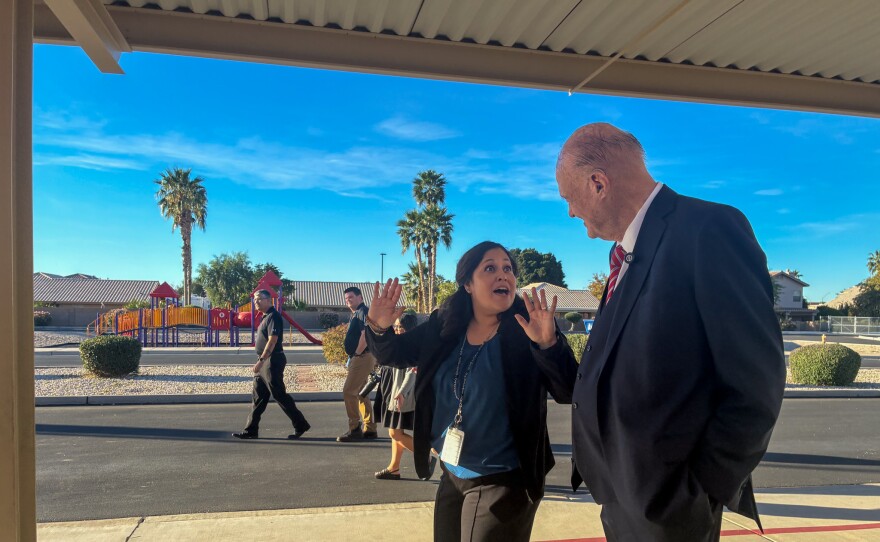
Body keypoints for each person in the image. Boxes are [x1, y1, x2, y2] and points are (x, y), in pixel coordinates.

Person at [540, 122, 786, 541]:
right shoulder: (624, 256)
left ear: (598, 183)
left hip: (670, 508)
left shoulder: (707, 230)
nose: (570, 211)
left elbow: (756, 384)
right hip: (618, 495)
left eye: (569, 197)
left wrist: (698, 490)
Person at [365, 241, 575, 542]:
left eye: (507, 268)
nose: (503, 275)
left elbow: (568, 389)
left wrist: (548, 345)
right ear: (467, 284)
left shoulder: (530, 327)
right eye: (490, 268)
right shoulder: (443, 325)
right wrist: (378, 327)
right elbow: (394, 354)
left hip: (505, 477)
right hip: (453, 472)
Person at [233, 289, 310, 440]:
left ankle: (300, 424)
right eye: (255, 299)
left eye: (259, 299)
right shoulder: (264, 317)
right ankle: (251, 430)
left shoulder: (274, 317)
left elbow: (272, 340)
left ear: (269, 300)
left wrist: (261, 361)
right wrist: (260, 360)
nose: (256, 302)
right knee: (258, 398)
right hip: (263, 361)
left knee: (279, 394)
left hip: (272, 361)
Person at [373, 312, 419, 480]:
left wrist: (402, 392)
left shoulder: (411, 345)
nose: (398, 330)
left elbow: (412, 372)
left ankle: (428, 455)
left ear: (410, 329)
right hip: (391, 389)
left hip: (400, 393)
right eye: (396, 326)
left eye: (401, 327)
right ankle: (394, 467)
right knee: (396, 430)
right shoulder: (398, 342)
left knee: (395, 433)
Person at [337, 286, 378, 442]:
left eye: (351, 297)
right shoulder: (356, 314)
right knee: (361, 392)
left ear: (360, 297)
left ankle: (354, 429)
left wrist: (356, 354)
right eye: (346, 298)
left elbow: (365, 335)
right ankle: (370, 428)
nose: (348, 301)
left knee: (348, 391)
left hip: (362, 357)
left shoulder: (363, 312)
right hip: (362, 357)